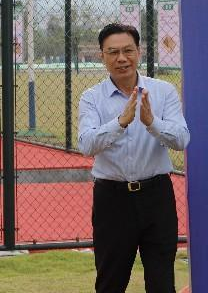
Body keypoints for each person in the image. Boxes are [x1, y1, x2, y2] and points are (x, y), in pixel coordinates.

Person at [78, 23, 190, 293]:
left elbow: (181, 139)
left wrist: (152, 122)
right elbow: (86, 144)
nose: (121, 58)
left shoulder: (163, 91)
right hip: (112, 200)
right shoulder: (92, 98)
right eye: (113, 52)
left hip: (156, 196)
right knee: (111, 281)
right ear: (102, 56)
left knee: (162, 282)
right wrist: (120, 122)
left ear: (139, 52)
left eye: (128, 50)